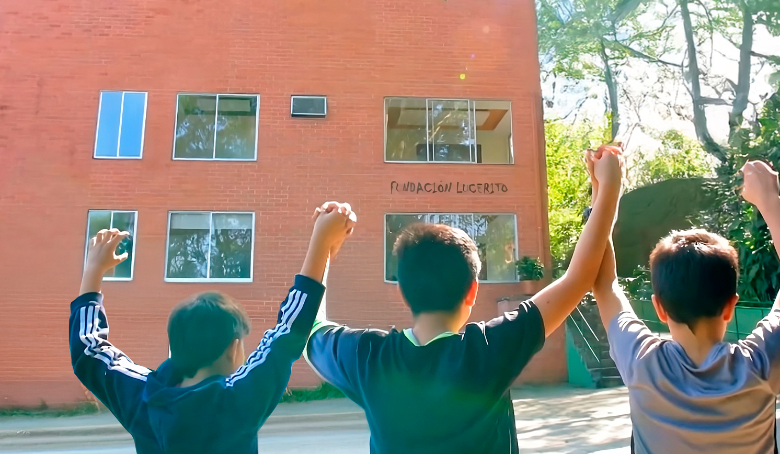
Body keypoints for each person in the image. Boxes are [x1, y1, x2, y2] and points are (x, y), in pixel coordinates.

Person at [305, 147, 624, 454]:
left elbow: (306, 329)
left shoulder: (369, 358)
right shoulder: (490, 348)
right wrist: (606, 188)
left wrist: (323, 245)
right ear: (473, 290)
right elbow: (580, 278)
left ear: (402, 292)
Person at [69, 202, 356, 454]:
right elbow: (287, 333)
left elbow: (88, 350)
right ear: (233, 349)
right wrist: (323, 247)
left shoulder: (142, 398)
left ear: (174, 347)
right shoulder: (238, 400)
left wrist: (93, 270)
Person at [592, 160, 780, 454]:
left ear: (659, 308)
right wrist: (769, 201)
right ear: (731, 306)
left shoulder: (642, 362)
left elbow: (603, 283)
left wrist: (604, 191)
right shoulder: (760, 365)